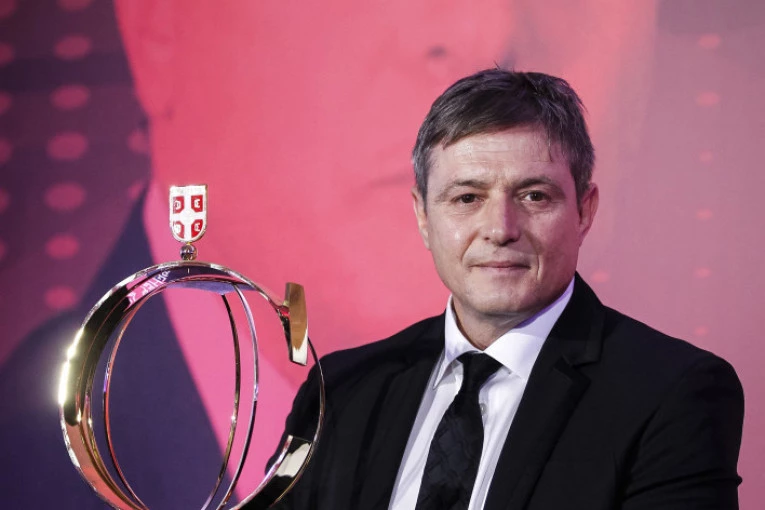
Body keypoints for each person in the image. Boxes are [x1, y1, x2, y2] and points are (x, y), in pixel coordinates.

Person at [266, 69, 744, 510]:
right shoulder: (340, 389)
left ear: (584, 211)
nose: (500, 228)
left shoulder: (671, 393)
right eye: (467, 197)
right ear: (423, 216)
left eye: (534, 196)